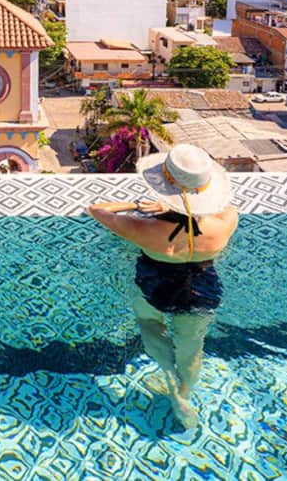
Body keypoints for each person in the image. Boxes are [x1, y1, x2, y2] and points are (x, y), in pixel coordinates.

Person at [87, 144, 238, 428]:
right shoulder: (225, 224)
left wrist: (138, 206)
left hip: (157, 286)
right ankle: (183, 394)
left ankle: (168, 374)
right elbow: (222, 208)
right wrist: (178, 205)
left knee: (149, 324)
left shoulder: (145, 230)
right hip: (203, 290)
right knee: (192, 347)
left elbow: (97, 210)